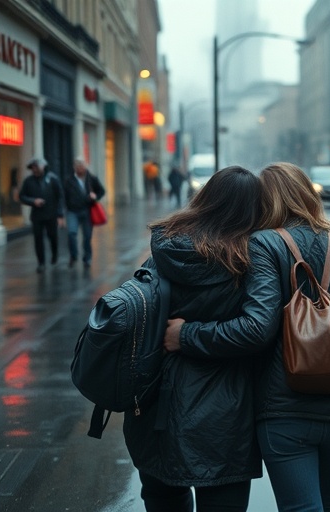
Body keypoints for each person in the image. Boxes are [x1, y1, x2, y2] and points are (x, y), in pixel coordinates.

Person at [167, 162, 330, 511]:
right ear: (309, 195)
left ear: (266, 204)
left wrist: (186, 334)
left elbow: (255, 329)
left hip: (285, 409)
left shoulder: (264, 244)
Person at [123, 166, 263, 512]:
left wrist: (182, 334)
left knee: (162, 497)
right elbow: (257, 329)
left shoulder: (165, 248)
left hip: (157, 402)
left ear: (205, 199)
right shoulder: (251, 260)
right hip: (226, 411)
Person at [19, 157, 66, 273]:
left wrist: (60, 215)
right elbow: (22, 196)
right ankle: (41, 263)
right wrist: (33, 201)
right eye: (32, 167)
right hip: (37, 216)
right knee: (38, 239)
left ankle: (54, 255)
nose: (34, 169)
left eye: (36, 166)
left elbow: (60, 197)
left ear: (43, 166)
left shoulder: (53, 179)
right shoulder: (28, 181)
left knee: (52, 237)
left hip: (51, 215)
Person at [63, 157, 105, 268]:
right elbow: (64, 196)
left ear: (85, 167)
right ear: (74, 168)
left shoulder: (91, 178)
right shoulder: (68, 180)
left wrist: (95, 196)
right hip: (72, 211)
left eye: (82, 166)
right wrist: (64, 210)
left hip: (87, 210)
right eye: (78, 166)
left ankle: (87, 258)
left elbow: (101, 191)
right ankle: (74, 255)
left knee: (87, 236)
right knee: (72, 233)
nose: (80, 168)